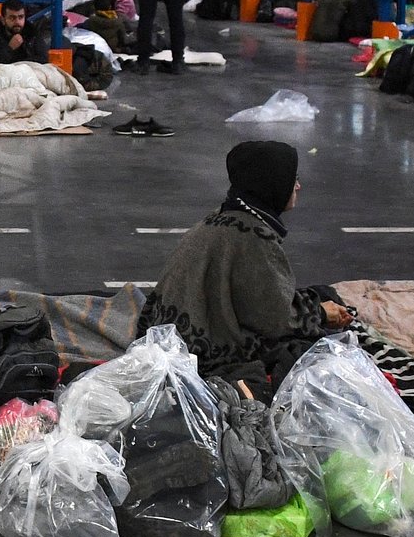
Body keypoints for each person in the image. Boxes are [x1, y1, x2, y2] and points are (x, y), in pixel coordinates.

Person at [134, 141, 349, 389]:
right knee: (317, 346)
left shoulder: (224, 216)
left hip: (172, 333)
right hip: (203, 350)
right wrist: (321, 313)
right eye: (293, 178)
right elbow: (273, 319)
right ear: (272, 183)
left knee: (320, 297)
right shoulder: (253, 235)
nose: (298, 186)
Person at [0, 0, 51, 67]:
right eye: (12, 18)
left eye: (21, 17)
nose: (17, 22)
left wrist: (21, 65)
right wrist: (9, 48)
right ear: (3, 20)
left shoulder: (32, 32)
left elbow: (43, 59)